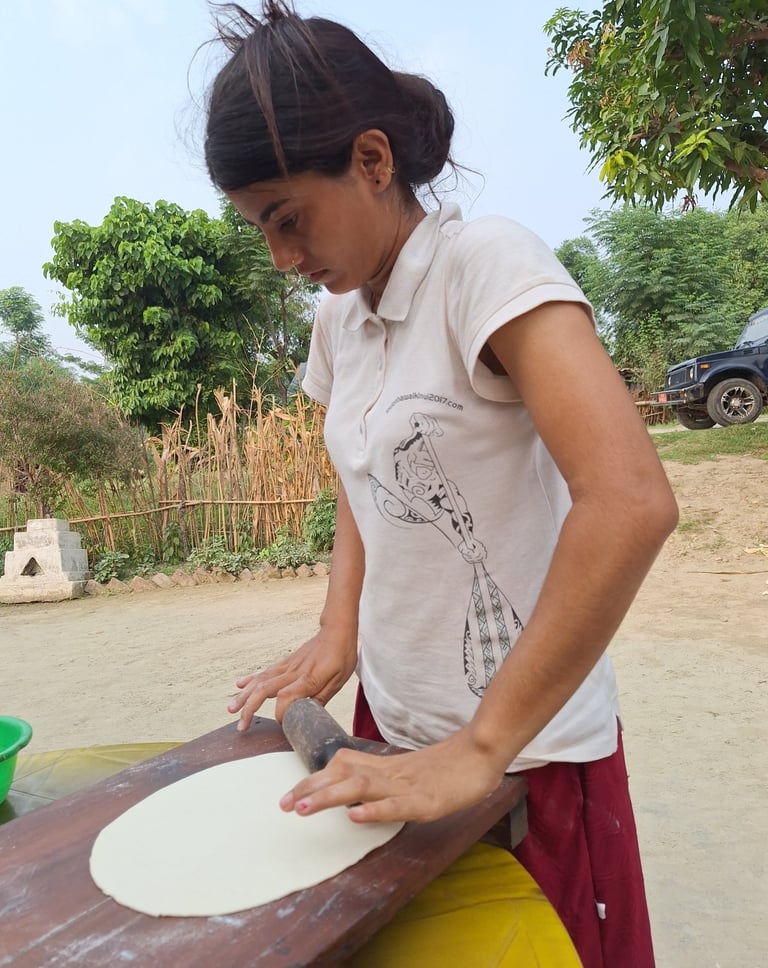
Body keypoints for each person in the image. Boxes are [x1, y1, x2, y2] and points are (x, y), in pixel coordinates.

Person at [203, 3, 679, 965]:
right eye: (261, 228)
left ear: (373, 161)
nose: (283, 258)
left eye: (288, 219)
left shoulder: (485, 265)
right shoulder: (338, 321)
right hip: (394, 734)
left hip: (523, 752)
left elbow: (630, 501)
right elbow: (358, 473)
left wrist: (479, 751)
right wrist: (340, 632)